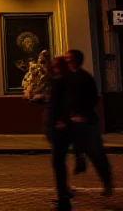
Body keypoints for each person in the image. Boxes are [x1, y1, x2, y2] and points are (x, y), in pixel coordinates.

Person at [65, 49, 113, 197]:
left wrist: (81, 114)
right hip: (73, 121)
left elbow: (93, 98)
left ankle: (107, 182)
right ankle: (76, 170)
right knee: (69, 151)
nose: (67, 62)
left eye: (69, 60)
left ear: (75, 61)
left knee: (95, 152)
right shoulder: (67, 78)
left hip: (86, 121)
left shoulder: (84, 77)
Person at [46, 56, 74, 211]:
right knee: (59, 163)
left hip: (60, 129)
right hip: (57, 128)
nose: (54, 68)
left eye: (57, 65)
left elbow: (63, 103)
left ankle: (63, 198)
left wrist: (62, 120)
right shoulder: (60, 81)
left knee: (58, 163)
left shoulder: (61, 82)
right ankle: (64, 194)